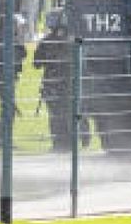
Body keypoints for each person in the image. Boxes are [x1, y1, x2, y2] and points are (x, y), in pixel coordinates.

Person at [33, 11, 89, 152]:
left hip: (64, 83)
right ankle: (61, 144)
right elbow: (37, 63)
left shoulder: (67, 40)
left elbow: (37, 63)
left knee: (65, 114)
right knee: (58, 115)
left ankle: (67, 143)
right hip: (56, 83)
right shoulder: (49, 41)